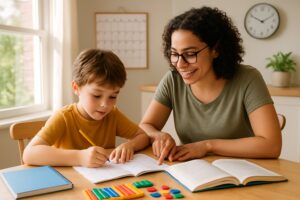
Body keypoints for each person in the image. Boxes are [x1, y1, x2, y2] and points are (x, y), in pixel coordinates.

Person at [140, 7, 282, 165]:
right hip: (193, 171)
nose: (180, 64)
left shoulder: (248, 78)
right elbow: (146, 125)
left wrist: (207, 146)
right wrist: (158, 135)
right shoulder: (173, 80)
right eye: (174, 53)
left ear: (216, 50)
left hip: (243, 173)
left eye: (190, 53)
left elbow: (271, 145)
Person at [23, 49, 149, 168]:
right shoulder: (64, 117)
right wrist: (79, 157)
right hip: (71, 185)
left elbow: (142, 136)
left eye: (113, 96)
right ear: (76, 88)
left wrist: (129, 146)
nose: (105, 104)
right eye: (97, 95)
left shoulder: (113, 115)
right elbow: (29, 154)